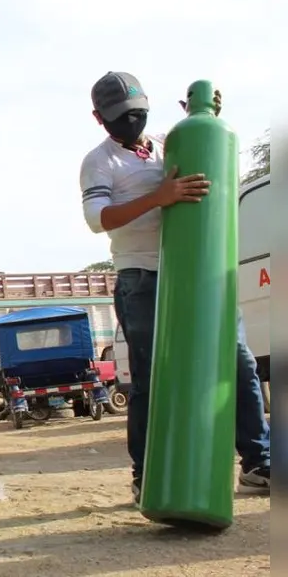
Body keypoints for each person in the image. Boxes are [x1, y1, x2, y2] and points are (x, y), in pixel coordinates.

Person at [78, 71, 271, 504]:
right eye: (120, 116)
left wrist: (205, 116)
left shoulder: (167, 143)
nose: (131, 121)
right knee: (151, 380)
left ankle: (258, 463)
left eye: (137, 113)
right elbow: (98, 219)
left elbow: (209, 153)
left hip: (199, 274)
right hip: (141, 280)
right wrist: (157, 197)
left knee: (239, 365)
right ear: (99, 118)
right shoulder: (99, 160)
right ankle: (146, 475)